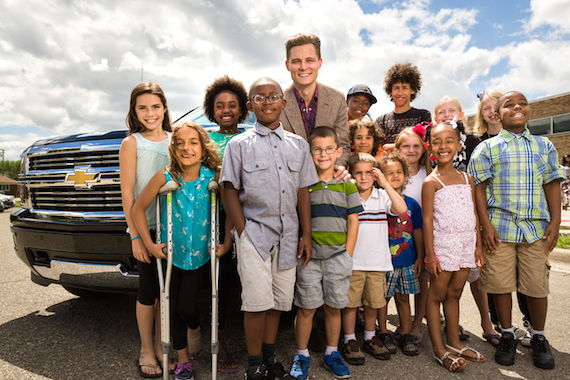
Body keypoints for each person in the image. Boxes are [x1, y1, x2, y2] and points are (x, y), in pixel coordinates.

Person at [221, 77, 318, 380]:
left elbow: (303, 191)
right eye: (259, 98)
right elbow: (229, 190)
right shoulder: (239, 145)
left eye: (273, 96)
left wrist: (305, 234)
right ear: (249, 107)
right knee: (256, 302)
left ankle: (268, 358)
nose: (267, 102)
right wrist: (243, 231)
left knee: (277, 301)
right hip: (255, 235)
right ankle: (254, 367)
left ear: (283, 102)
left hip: (289, 237)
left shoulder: (298, 146)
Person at [469, 91, 565, 370]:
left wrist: (556, 221)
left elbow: (552, 182)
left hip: (536, 229)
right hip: (499, 229)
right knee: (499, 284)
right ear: (497, 116)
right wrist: (484, 225)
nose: (517, 107)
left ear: (529, 111)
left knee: (536, 286)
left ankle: (538, 336)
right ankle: (508, 333)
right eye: (509, 105)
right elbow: (478, 188)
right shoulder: (487, 149)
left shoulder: (544, 145)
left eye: (522, 103)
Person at [132, 122, 229, 380]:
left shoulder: (214, 176)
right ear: (172, 148)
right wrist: (150, 244)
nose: (186, 148)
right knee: (171, 306)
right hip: (171, 254)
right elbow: (137, 209)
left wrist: (227, 243)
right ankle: (184, 359)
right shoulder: (165, 177)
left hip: (201, 255)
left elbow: (231, 206)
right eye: (179, 143)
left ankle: (194, 328)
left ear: (203, 146)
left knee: (187, 307)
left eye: (193, 142)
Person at [290, 126, 362, 380]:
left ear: (338, 152)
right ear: (309, 153)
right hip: (308, 259)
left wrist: (348, 254)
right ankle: (302, 355)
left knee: (333, 307)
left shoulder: (347, 186)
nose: (323, 154)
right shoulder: (303, 187)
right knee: (306, 308)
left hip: (338, 257)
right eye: (317, 149)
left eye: (329, 149)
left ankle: (333, 352)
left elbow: (353, 221)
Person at [119, 82, 176, 378]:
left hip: (174, 224)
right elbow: (128, 192)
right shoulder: (132, 143)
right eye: (142, 107)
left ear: (165, 108)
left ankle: (160, 343)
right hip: (146, 226)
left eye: (155, 106)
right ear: (134, 111)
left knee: (167, 289)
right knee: (148, 290)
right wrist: (136, 236)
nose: (150, 113)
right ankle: (145, 348)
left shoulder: (176, 140)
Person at [423, 122, 484, 372]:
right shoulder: (431, 182)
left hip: (466, 244)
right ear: (430, 147)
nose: (443, 146)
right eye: (437, 141)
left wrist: (478, 245)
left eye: (449, 140)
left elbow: (475, 214)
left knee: (456, 293)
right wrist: (430, 255)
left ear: (459, 145)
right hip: (444, 246)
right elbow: (427, 220)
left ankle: (454, 341)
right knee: (436, 295)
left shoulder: (467, 178)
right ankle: (438, 348)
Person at [475, 90, 531, 347]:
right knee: (497, 276)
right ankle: (500, 324)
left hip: (527, 223)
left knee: (525, 277)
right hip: (496, 221)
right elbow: (479, 186)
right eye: (484, 108)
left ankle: (531, 325)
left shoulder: (529, 142)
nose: (489, 112)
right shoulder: (480, 145)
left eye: (491, 106)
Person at [202, 75, 250, 373]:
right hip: (213, 217)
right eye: (220, 105)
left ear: (242, 108)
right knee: (217, 279)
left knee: (243, 280)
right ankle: (218, 338)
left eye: (232, 104)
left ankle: (253, 339)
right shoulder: (205, 140)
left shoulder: (248, 136)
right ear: (212, 109)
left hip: (249, 216)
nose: (226, 110)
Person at [340, 153, 405, 366]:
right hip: (353, 263)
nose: (364, 177)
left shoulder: (382, 196)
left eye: (369, 172)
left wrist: (385, 183)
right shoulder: (347, 195)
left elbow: (401, 209)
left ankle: (369, 337)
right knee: (350, 305)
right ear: (351, 174)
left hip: (377, 263)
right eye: (358, 172)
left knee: (372, 304)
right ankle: (349, 340)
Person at [376, 151, 423, 356]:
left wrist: (421, 256)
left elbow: (418, 231)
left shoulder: (411, 203)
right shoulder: (378, 201)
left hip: (407, 260)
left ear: (405, 175)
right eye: (389, 173)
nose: (395, 176)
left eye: (399, 172)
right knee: (382, 299)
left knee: (403, 298)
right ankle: (384, 332)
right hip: (385, 261)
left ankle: (405, 333)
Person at [280, 33, 351, 166]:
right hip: (291, 181)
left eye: (309, 60)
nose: (303, 67)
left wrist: (336, 171)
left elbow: (343, 145)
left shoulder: (337, 98)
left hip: (328, 179)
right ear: (287, 65)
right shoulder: (277, 103)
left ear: (319, 63)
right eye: (296, 61)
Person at [375, 62, 431, 151]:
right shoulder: (381, 121)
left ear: (412, 90)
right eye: (396, 88)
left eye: (404, 88)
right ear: (390, 91)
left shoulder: (423, 116)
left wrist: (395, 147)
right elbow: (378, 148)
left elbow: (425, 143)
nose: (400, 93)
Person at [432, 96, 481, 172]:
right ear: (436, 119)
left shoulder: (473, 141)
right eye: (441, 112)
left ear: (461, 115)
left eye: (452, 110)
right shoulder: (432, 144)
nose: (447, 115)